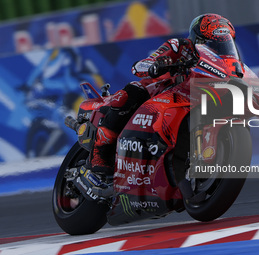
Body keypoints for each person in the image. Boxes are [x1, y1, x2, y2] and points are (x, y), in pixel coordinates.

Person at [81, 13, 236, 187]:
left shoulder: (229, 65)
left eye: (222, 44)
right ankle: (99, 154)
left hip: (194, 99)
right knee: (131, 94)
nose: (216, 49)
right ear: (197, 39)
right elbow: (141, 65)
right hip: (161, 91)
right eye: (211, 43)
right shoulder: (179, 46)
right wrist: (156, 65)